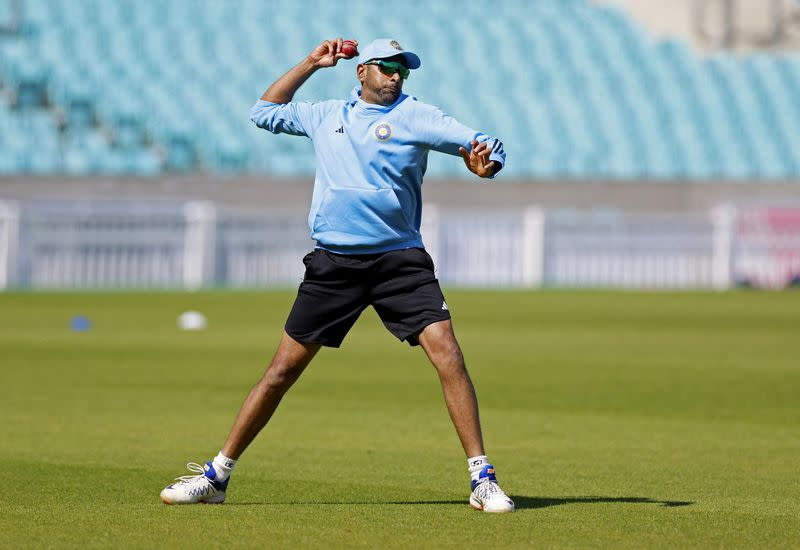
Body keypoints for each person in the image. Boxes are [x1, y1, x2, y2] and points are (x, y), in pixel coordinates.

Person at [159, 38, 514, 513]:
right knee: (280, 372)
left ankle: (482, 479)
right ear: (362, 70)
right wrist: (311, 63)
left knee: (448, 353)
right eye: (387, 67)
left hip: (399, 263)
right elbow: (263, 110)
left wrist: (486, 161)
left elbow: (481, 146)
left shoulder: (417, 115)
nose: (396, 76)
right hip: (334, 265)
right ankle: (216, 475)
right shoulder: (326, 113)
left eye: (403, 71)